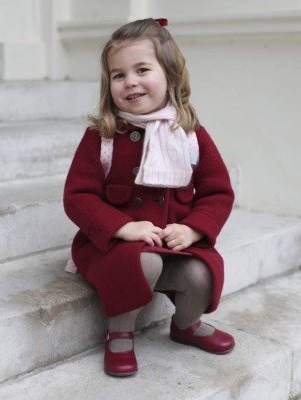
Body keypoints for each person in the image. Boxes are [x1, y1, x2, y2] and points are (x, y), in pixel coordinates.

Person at [64, 18, 235, 377]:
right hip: (116, 247)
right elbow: (78, 197)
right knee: (145, 263)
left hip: (173, 243)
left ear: (170, 75)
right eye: (118, 75)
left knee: (202, 271)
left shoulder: (189, 134)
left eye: (142, 69)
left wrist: (192, 231)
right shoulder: (104, 137)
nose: (130, 81)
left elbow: (218, 192)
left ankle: (185, 324)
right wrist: (122, 227)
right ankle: (120, 332)